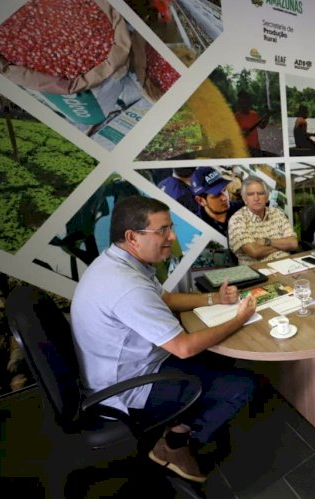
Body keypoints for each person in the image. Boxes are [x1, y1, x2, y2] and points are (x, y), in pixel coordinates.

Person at [71, 196, 258, 483]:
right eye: (163, 230)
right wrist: (238, 319)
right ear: (132, 237)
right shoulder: (126, 286)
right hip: (126, 389)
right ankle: (174, 445)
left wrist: (214, 299)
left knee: (219, 356)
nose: (172, 237)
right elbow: (183, 348)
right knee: (243, 385)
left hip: (134, 365)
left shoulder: (121, 262)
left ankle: (184, 421)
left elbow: (166, 299)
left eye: (170, 228)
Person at [228, 176, 298, 265]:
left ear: (267, 196)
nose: (256, 198)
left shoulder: (277, 213)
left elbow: (293, 243)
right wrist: (283, 245)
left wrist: (267, 241)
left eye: (260, 193)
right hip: (258, 272)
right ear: (245, 199)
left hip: (288, 266)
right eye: (251, 194)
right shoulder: (237, 220)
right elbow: (255, 252)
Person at [190, 167, 244, 238]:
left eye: (224, 190)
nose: (225, 198)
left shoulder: (244, 207)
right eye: (217, 195)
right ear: (201, 201)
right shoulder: (198, 230)